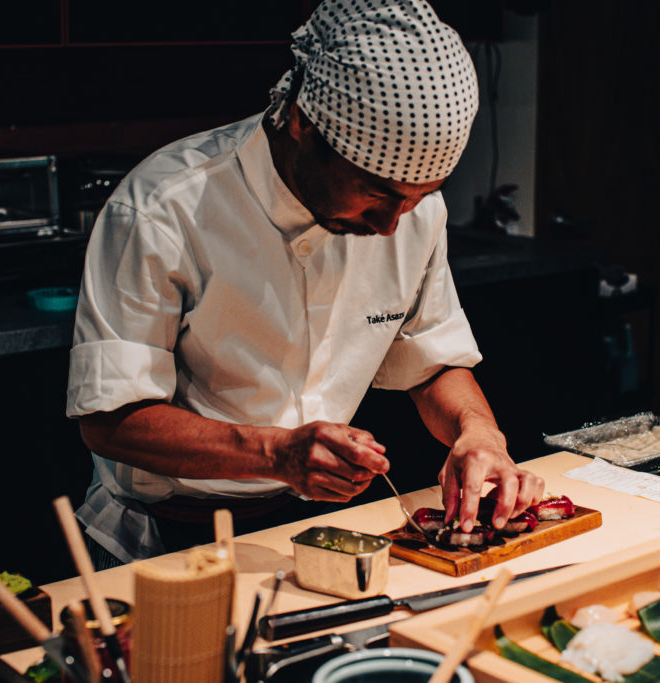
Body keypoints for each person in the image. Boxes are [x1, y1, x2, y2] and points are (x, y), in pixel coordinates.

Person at [66, 0, 544, 568]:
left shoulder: (415, 213)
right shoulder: (165, 208)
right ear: (302, 125)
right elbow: (109, 421)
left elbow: (432, 362)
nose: (391, 225)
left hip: (318, 524)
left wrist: (479, 432)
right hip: (172, 534)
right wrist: (275, 452)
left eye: (416, 199)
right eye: (378, 193)